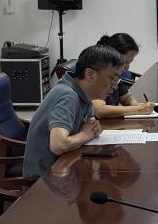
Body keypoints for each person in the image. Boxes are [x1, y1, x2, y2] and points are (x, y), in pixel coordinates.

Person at [23, 43, 123, 177]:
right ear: (90, 74)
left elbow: (86, 127)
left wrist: (92, 129)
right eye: (113, 79)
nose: (115, 87)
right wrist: (86, 134)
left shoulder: (84, 95)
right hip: (46, 179)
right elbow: (58, 145)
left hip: (65, 168)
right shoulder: (67, 96)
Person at [88, 33, 155, 119]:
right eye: (125, 62)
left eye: (129, 63)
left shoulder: (116, 74)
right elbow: (99, 110)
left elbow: (126, 97)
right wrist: (137, 109)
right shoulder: (97, 74)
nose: (127, 68)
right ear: (113, 55)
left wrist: (135, 104)